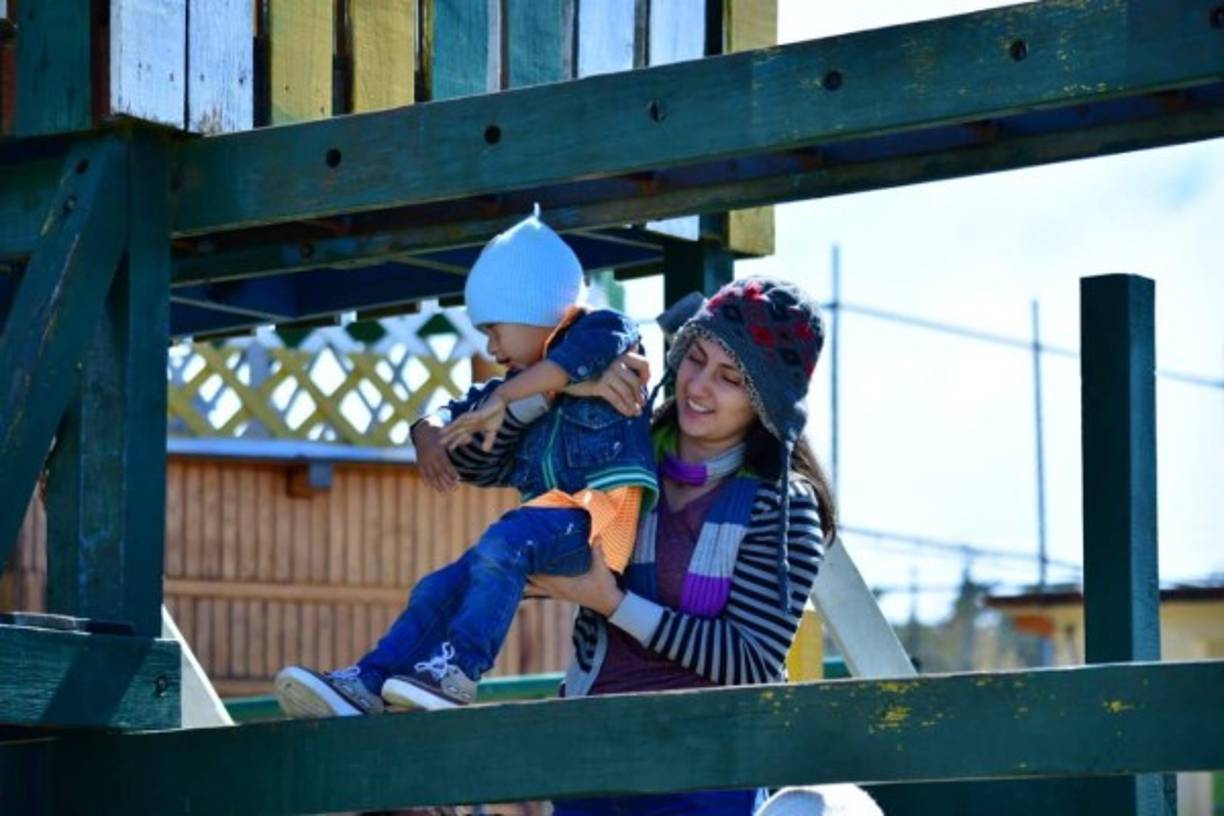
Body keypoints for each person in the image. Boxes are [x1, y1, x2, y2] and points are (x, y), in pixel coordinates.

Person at [458, 276, 839, 815]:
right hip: (589, 760)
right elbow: (472, 462)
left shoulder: (782, 506)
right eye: (695, 358)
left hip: (709, 770)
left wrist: (610, 603)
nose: (698, 386)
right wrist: (565, 385)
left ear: (766, 402)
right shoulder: (621, 451)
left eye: (729, 377)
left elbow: (751, 660)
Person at [274, 206, 658, 715]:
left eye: (495, 327)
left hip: (598, 521)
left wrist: (510, 399)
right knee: (439, 586)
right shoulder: (516, 385)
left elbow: (571, 362)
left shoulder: (605, 330)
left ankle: (458, 673)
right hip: (547, 522)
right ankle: (368, 681)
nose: (489, 344)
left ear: (538, 309)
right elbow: (462, 412)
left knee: (504, 541)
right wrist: (426, 430)